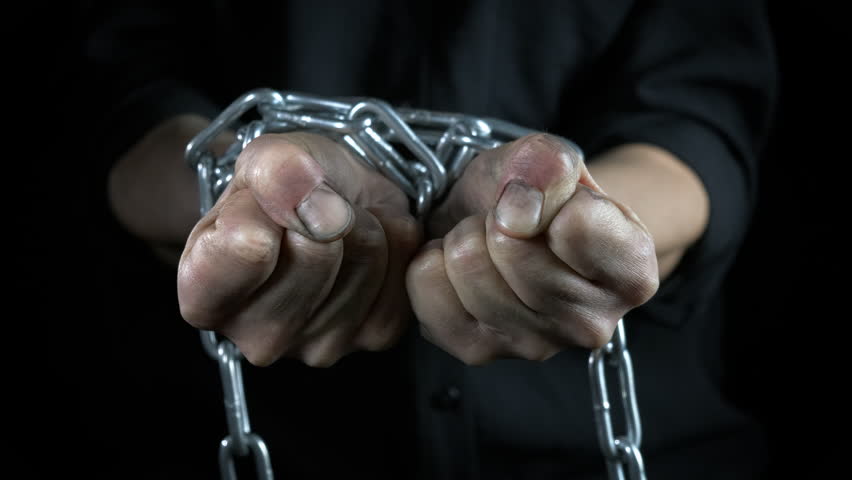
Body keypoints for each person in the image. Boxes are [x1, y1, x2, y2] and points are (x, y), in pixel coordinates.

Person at [91, 0, 776, 478]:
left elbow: (694, 121)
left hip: (629, 449)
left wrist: (577, 220)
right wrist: (254, 199)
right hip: (245, 440)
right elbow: (113, 100)